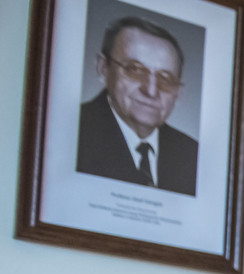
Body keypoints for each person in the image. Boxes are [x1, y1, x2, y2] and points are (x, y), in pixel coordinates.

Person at [76, 16, 199, 195]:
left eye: (165, 78)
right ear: (103, 68)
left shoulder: (193, 155)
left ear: (178, 92)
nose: (151, 90)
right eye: (135, 70)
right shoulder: (74, 131)